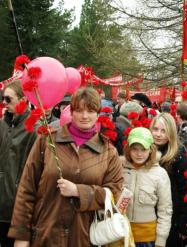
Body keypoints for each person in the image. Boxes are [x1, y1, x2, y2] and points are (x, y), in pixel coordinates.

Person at [8, 87, 123, 246]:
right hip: (45, 235)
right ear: (71, 112)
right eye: (79, 110)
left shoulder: (108, 152)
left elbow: (114, 192)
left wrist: (79, 191)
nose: (84, 116)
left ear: (98, 114)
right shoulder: (47, 141)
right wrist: (21, 236)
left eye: (90, 111)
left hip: (84, 237)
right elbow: (27, 189)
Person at [0, 81, 37, 247]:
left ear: (23, 99)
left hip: (17, 208)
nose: (4, 103)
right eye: (3, 99)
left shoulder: (34, 128)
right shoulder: (2, 124)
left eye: (9, 99)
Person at [122, 127, 172, 247]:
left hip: (147, 239)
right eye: (134, 149)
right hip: (120, 235)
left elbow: (165, 209)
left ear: (151, 150)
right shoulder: (119, 168)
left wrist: (161, 240)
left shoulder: (160, 173)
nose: (139, 154)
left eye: (143, 149)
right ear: (128, 149)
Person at [149, 113, 187, 246]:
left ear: (171, 133)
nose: (158, 134)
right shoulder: (145, 151)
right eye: (155, 129)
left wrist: (182, 224)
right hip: (148, 215)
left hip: (171, 217)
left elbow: (185, 191)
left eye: (163, 131)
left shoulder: (178, 155)